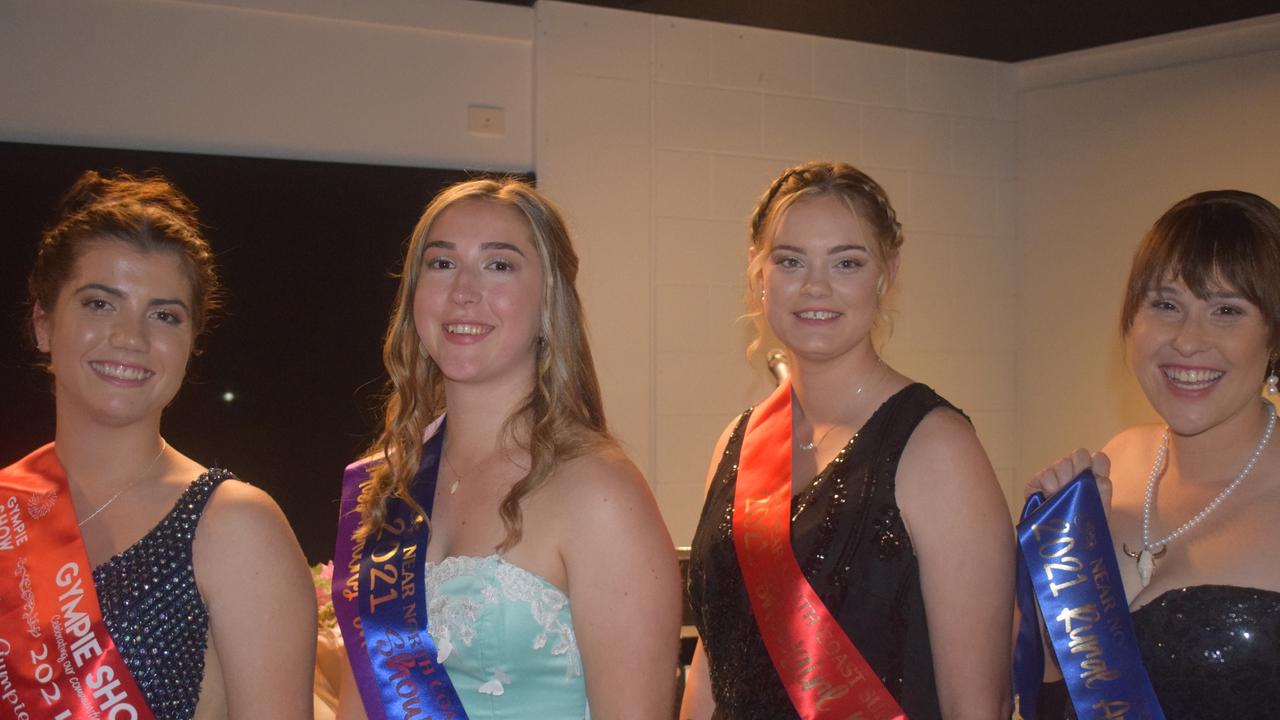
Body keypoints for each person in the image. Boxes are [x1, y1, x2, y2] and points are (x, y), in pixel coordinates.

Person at [333, 178, 681, 719]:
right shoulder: (388, 482)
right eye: (442, 264)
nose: (463, 292)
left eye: (499, 265)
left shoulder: (599, 491)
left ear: (549, 300)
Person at [680, 161, 1013, 720]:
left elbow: (977, 705)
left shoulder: (936, 449)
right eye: (790, 261)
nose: (815, 287)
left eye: (847, 263)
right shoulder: (736, 442)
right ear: (759, 273)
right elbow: (715, 664)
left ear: (886, 274)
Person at [1, 170, 316, 719]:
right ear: (43, 323)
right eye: (100, 304)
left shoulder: (234, 526)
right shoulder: (7, 508)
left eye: (165, 315)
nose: (131, 338)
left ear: (192, 343)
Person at [1027, 190, 1280, 719]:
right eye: (1166, 305)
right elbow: (1052, 694)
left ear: (1273, 338)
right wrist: (1045, 555)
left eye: (1227, 311)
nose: (1188, 341)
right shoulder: (1117, 462)